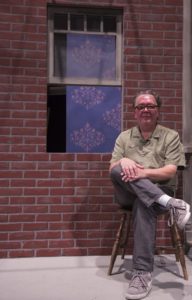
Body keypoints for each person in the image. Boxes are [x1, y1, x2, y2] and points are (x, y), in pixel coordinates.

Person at [109, 89, 191, 300]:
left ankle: (142, 273)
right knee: (118, 168)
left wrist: (141, 172)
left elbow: (170, 171)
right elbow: (113, 169)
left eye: (150, 106)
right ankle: (173, 205)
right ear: (135, 112)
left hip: (160, 190)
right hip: (128, 193)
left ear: (157, 111)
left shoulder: (170, 136)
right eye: (141, 106)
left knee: (143, 204)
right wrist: (124, 162)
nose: (146, 109)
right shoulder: (124, 137)